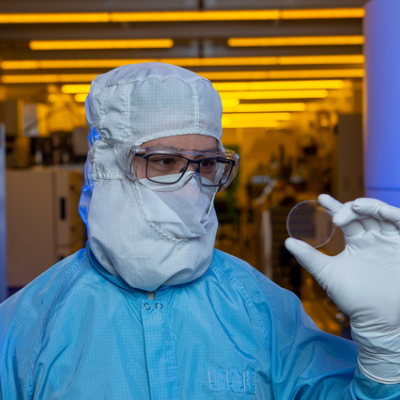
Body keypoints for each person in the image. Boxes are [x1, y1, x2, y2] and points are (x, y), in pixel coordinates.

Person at [1, 63, 400, 399]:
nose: (190, 185)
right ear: (107, 166)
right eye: (163, 161)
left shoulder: (261, 309)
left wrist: (386, 358)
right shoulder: (26, 326)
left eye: (206, 164)